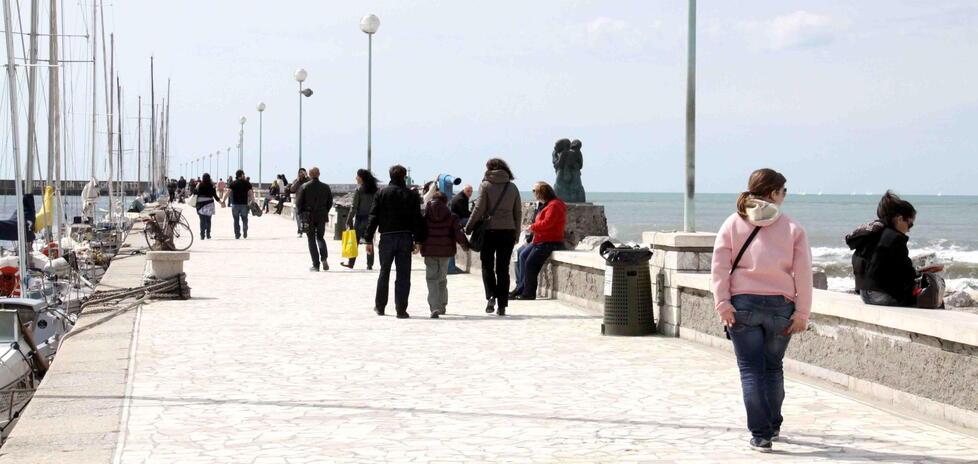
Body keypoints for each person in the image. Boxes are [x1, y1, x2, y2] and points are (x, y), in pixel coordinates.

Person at [710, 168, 811, 453]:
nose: (785, 196)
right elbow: (803, 274)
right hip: (781, 306)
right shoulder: (793, 228)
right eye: (783, 191)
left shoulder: (732, 223)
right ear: (771, 193)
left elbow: (719, 267)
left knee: (751, 370)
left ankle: (761, 434)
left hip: (743, 305)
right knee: (773, 367)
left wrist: (723, 303)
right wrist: (802, 313)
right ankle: (774, 424)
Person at [846, 191, 944, 306]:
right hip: (879, 296)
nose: (909, 229)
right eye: (910, 224)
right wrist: (921, 272)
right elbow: (905, 272)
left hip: (865, 294)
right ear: (899, 219)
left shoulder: (874, 233)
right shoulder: (894, 238)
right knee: (932, 300)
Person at [365, 165, 426, 319]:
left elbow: (373, 217)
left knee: (384, 272)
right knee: (404, 275)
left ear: (390, 175)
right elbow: (417, 219)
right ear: (404, 176)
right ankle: (401, 309)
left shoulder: (382, 193)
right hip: (405, 237)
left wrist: (368, 239)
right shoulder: (411, 195)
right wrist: (418, 239)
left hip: (386, 237)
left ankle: (380, 306)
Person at [465, 158, 522, 316]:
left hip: (489, 231)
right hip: (508, 231)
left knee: (487, 265)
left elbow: (478, 208)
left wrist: (469, 227)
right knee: (503, 269)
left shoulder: (485, 185)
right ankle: (502, 304)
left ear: (489, 169)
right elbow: (518, 212)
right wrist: (517, 233)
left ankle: (491, 296)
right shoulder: (512, 187)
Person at [510, 182, 566, 300]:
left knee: (530, 263)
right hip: (540, 239)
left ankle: (528, 293)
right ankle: (520, 287)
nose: (533, 193)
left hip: (550, 241)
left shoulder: (554, 205)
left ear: (542, 192)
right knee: (521, 254)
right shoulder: (546, 205)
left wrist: (533, 227)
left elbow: (548, 223)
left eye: (535, 191)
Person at [421, 192, 470, 318]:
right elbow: (458, 233)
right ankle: (442, 306)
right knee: (442, 279)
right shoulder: (451, 216)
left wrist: (417, 244)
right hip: (445, 252)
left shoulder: (425, 215)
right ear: (446, 202)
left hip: (430, 251)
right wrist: (465, 245)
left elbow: (420, 231)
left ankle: (434, 307)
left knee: (431, 279)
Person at [295, 167, 334, 271]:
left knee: (311, 239)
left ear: (310, 174)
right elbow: (330, 202)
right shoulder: (326, 187)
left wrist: (300, 214)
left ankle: (316, 265)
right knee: (320, 237)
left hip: (309, 216)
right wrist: (325, 211)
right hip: (321, 216)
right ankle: (324, 258)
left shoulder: (304, 186)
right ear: (319, 174)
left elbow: (299, 203)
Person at [341, 169, 379, 270]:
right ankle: (369, 264)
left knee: (355, 240)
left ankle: (351, 262)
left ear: (361, 177)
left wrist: (349, 219)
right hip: (371, 218)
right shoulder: (375, 190)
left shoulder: (359, 190)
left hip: (361, 218)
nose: (356, 178)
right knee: (369, 240)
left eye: (357, 176)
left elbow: (354, 207)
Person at [222, 169, 254, 239]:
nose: (244, 175)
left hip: (235, 204)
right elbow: (251, 193)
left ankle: (237, 234)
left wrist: (223, 200)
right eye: (243, 174)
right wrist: (253, 202)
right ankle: (245, 228)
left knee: (236, 220)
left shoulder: (233, 183)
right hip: (244, 204)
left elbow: (228, 192)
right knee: (245, 219)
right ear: (241, 175)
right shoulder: (247, 183)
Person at [195, 173, 220, 239]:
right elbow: (215, 195)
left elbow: (195, 193)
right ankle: (208, 234)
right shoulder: (212, 185)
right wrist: (221, 202)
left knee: (202, 220)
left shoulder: (199, 184)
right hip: (209, 203)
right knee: (208, 220)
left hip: (200, 204)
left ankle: (202, 235)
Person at [290, 168, 310, 237]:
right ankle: (300, 231)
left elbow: (312, 184)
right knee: (298, 218)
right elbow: (292, 189)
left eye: (303, 173)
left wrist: (307, 176)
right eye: (300, 173)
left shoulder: (308, 180)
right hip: (298, 202)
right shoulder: (296, 181)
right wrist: (298, 181)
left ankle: (308, 230)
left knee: (308, 217)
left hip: (307, 202)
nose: (301, 174)